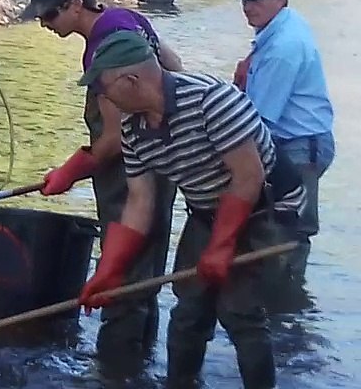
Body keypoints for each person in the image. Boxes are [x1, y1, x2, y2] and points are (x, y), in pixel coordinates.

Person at [75, 31, 303, 389]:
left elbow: (248, 177)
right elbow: (139, 202)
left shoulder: (211, 100)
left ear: (130, 81)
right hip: (207, 208)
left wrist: (221, 246)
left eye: (104, 89)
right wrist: (109, 271)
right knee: (188, 310)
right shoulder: (134, 131)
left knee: (238, 310)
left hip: (267, 204)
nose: (102, 97)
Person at [19, 0, 184, 361]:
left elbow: (111, 140)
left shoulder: (103, 45)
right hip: (163, 162)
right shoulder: (128, 18)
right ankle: (141, 365)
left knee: (121, 277)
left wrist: (68, 172)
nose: (44, 23)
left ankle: (113, 371)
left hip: (130, 179)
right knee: (146, 278)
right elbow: (176, 69)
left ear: (76, 5)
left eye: (49, 14)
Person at [232, 0, 334, 281]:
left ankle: (283, 309)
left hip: (299, 146)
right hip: (299, 140)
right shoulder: (284, 26)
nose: (249, 7)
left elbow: (257, 120)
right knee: (280, 227)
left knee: (286, 231)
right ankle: (282, 307)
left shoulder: (282, 47)